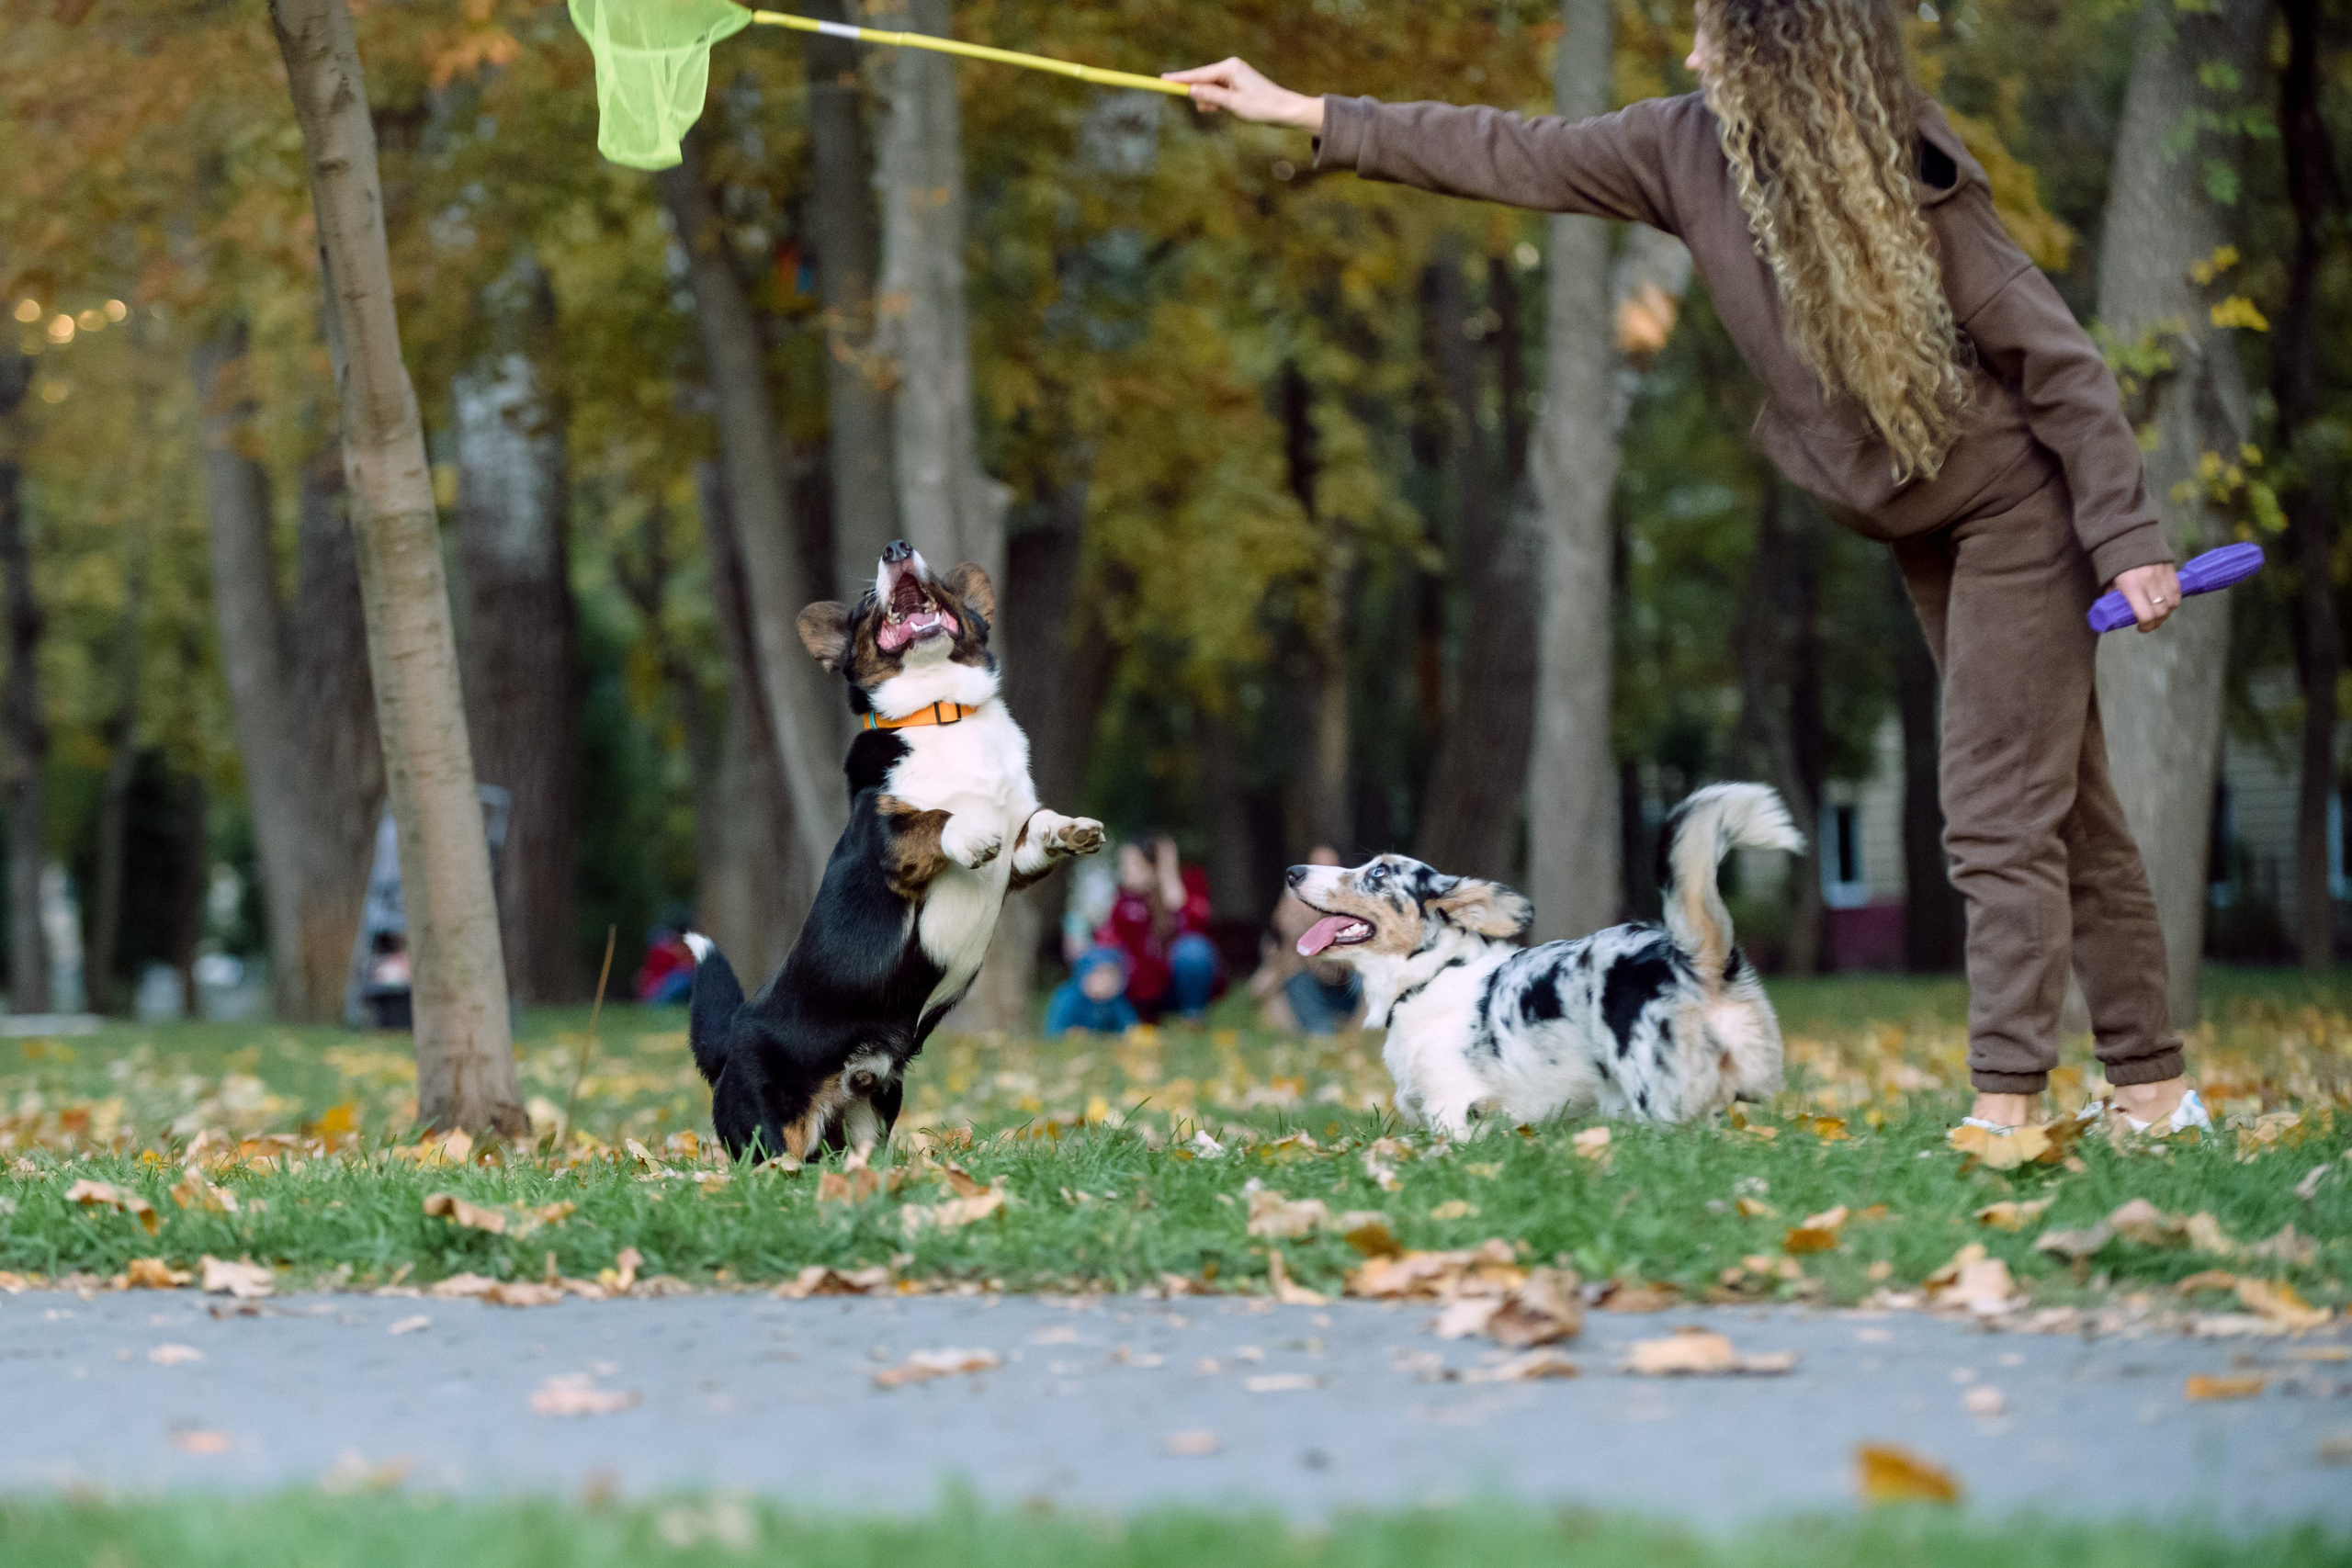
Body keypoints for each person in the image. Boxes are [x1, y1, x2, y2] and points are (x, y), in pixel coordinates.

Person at [1167, 0, 2208, 1135]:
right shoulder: (1683, 147)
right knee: (2071, 815)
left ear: (1783, 53)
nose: (1693, 54)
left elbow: (2059, 363)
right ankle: (2154, 1096)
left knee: (1997, 817)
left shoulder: (1905, 169)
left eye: (1718, 35)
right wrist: (1303, 110)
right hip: (1921, 519)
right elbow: (1510, 149)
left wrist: (2127, 538)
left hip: (2017, 511)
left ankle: (2007, 1109)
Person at [1096, 835, 1221, 1025]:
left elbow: (1195, 928)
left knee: (1194, 949)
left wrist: (1169, 877)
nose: (1125, 871)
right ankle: (1112, 1019)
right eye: (1123, 864)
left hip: (1174, 985)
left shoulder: (1188, 883)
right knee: (1100, 957)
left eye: (1133, 864)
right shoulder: (1123, 901)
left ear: (1153, 867)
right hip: (1138, 987)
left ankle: (1193, 1017)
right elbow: (1108, 941)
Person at [1249, 845, 1364, 1035]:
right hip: (1304, 976)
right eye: (1317, 866)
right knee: (1296, 974)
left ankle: (1349, 1027)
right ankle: (1321, 1029)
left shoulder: (1350, 903)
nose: (1322, 873)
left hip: (1343, 982)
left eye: (1329, 867)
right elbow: (1282, 932)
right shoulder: (1292, 901)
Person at [1044, 946, 1143, 1037]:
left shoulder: (1117, 1002)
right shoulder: (1068, 998)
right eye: (1099, 973)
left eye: (1111, 975)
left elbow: (1131, 1031)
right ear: (1084, 974)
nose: (1106, 980)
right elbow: (1054, 1033)